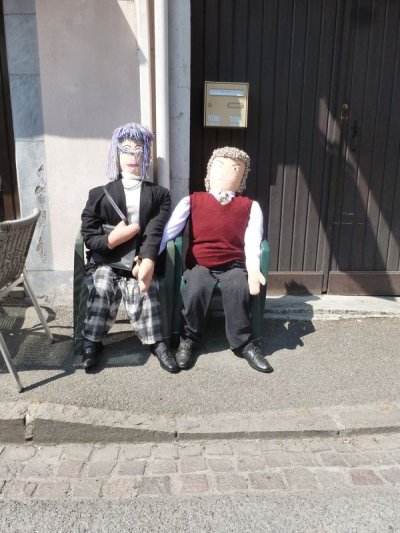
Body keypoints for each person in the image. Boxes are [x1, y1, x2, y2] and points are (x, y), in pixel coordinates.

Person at [160, 146, 273, 373]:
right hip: (200, 265)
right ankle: (188, 339)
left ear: (242, 176)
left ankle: (244, 343)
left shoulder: (249, 206)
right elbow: (169, 231)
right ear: (210, 169)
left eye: (235, 169)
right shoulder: (193, 200)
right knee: (195, 288)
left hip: (234, 265)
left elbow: (253, 239)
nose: (226, 172)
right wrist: (150, 256)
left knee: (238, 287)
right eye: (220, 166)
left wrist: (253, 268)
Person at [80, 122, 179, 373]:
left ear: (146, 154)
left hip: (138, 261)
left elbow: (155, 230)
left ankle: (157, 343)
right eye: (126, 149)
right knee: (102, 285)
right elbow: (89, 234)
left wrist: (147, 259)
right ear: (117, 153)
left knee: (145, 289)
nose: (133, 155)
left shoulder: (160, 194)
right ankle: (91, 341)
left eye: (139, 149)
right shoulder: (99, 194)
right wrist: (112, 240)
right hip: (107, 261)